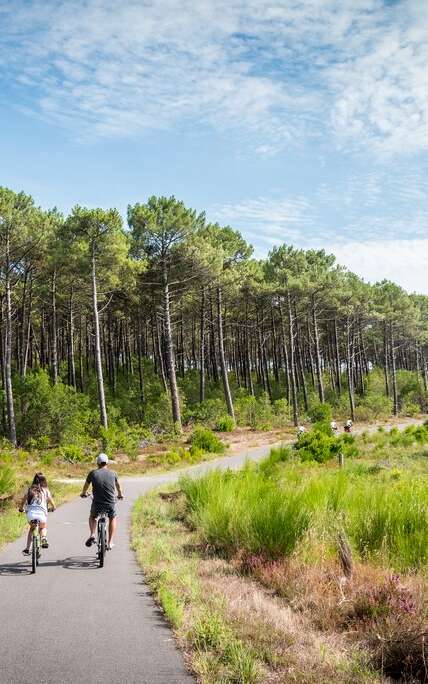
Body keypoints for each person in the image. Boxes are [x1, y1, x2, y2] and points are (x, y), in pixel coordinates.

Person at [80, 453, 123, 550]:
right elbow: (118, 486)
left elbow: (85, 487)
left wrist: (83, 493)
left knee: (92, 517)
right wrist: (120, 494)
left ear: (97, 463)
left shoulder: (93, 473)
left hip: (97, 503)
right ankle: (110, 542)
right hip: (110, 502)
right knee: (112, 517)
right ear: (107, 462)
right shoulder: (113, 473)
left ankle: (92, 534)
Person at [19, 472, 56, 555]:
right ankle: (43, 538)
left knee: (32, 529)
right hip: (41, 515)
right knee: (43, 527)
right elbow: (53, 504)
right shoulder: (45, 491)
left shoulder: (29, 490)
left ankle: (28, 548)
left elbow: (22, 502)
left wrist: (21, 509)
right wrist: (53, 508)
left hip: (30, 515)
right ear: (44, 481)